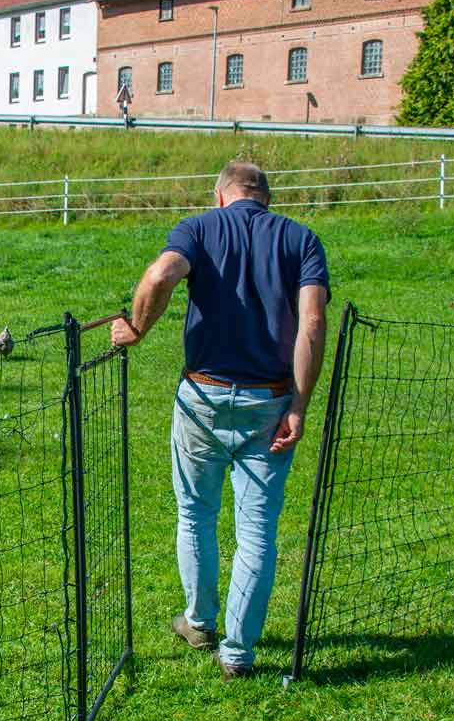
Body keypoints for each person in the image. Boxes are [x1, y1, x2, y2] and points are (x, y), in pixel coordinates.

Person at [111, 161, 330, 678]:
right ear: (267, 198)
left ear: (220, 194)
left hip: (203, 397)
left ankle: (200, 621)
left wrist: (138, 329)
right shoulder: (302, 240)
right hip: (270, 402)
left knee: (196, 512)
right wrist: (298, 405)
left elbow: (161, 273)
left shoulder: (199, 229)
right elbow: (313, 321)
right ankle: (237, 654)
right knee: (257, 532)